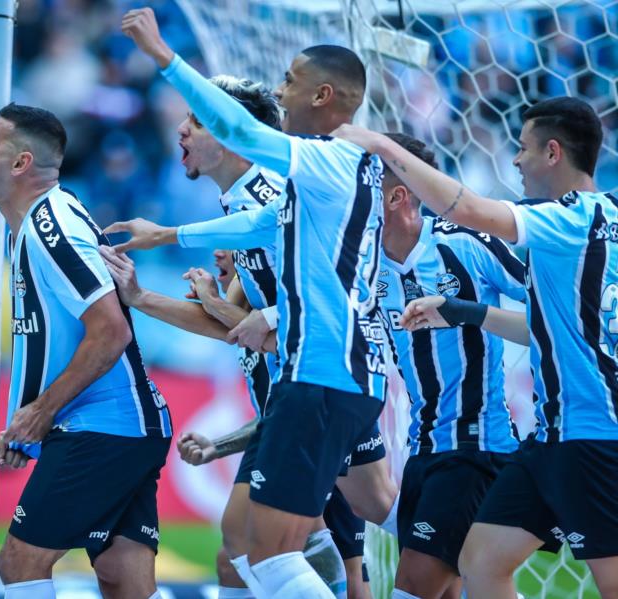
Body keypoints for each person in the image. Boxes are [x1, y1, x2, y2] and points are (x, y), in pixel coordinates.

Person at [117, 8, 394, 597]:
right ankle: (460, 535)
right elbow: (244, 292)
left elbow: (255, 315)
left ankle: (467, 527)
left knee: (262, 552)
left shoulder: (302, 171)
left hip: (319, 377)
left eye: (198, 120)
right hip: (322, 380)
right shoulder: (280, 196)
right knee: (363, 521)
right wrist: (157, 264)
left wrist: (164, 57)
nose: (183, 132)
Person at [334, 97, 618, 598]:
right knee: (480, 564)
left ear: (553, 153)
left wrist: (380, 142)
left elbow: (466, 209)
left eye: (522, 148)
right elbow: (548, 326)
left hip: (572, 436)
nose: (513, 160)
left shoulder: (568, 219)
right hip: (545, 436)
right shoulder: (598, 219)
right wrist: (465, 312)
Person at [0, 103, 172, 599]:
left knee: (20, 562)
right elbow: (56, 340)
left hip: (104, 426)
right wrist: (27, 424)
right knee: (123, 575)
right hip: (121, 425)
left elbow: (110, 332)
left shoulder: (49, 230)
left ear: (20, 164)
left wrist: (41, 412)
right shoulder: (43, 223)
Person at [372, 133, 529, 599]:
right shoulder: (362, 265)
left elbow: (552, 307)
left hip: (475, 445)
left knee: (413, 587)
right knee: (456, 587)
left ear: (397, 195)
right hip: (420, 448)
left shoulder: (465, 244)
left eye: (361, 185)